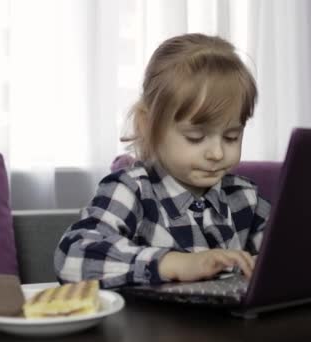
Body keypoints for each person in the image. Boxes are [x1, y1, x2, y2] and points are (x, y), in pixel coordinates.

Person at [54, 33, 271, 288]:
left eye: (232, 137)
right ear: (147, 125)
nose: (217, 153)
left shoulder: (245, 197)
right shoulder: (131, 190)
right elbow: (72, 257)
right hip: (153, 328)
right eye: (195, 137)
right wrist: (174, 263)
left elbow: (289, 257)